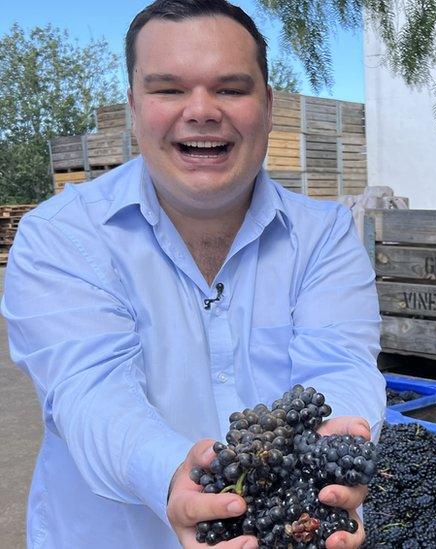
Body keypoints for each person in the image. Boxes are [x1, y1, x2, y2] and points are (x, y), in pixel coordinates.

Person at [2, 1, 385, 547]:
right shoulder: (61, 236)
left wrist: (335, 452)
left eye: (230, 88)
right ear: (134, 107)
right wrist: (171, 476)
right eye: (169, 89)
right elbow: (90, 389)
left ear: (268, 106)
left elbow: (340, 365)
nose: (202, 110)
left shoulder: (324, 236)